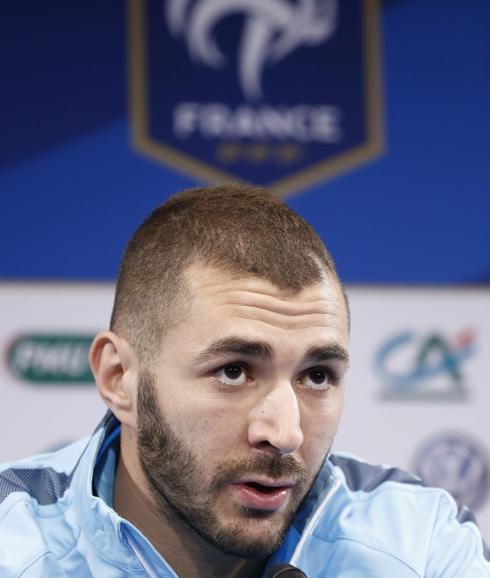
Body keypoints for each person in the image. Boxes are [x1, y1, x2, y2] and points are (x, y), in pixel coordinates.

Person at [0, 184, 488, 578]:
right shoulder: (12, 543)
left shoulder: (422, 541)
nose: (285, 433)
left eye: (317, 376)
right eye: (234, 371)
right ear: (119, 378)